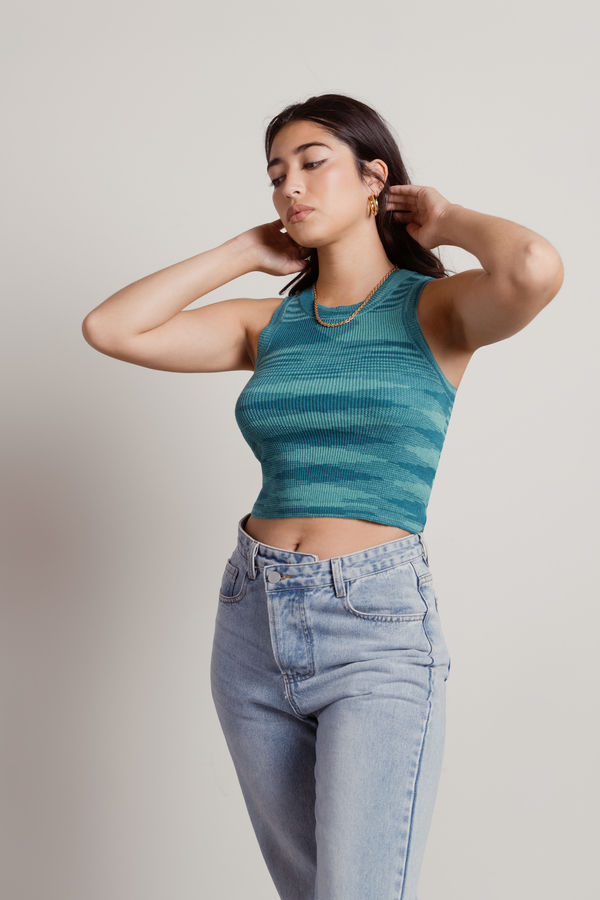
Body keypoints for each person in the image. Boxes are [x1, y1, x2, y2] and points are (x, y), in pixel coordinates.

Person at [82, 93, 564, 899]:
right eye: (276, 175)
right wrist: (242, 251)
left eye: (312, 164)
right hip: (251, 619)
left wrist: (444, 219)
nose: (290, 188)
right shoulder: (268, 325)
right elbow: (111, 328)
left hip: (375, 627)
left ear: (375, 180)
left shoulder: (435, 311)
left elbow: (534, 267)